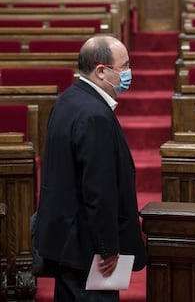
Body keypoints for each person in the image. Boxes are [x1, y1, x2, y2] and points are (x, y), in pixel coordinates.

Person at [34, 34, 147, 301]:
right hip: (87, 250)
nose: (129, 73)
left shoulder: (67, 100)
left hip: (65, 243)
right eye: (125, 66)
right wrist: (108, 248)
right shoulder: (95, 115)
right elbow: (98, 190)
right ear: (101, 70)